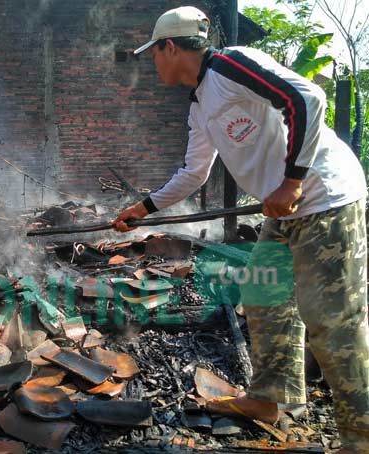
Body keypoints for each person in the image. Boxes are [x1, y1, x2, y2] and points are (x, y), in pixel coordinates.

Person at [114, 6, 369, 452]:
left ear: (170, 47)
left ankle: (361, 436)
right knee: (263, 296)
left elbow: (306, 99)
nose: (154, 63)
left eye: (155, 53)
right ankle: (274, 398)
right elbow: (194, 173)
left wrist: (291, 182)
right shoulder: (200, 104)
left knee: (333, 320)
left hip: (325, 198)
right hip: (284, 213)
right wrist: (143, 208)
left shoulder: (231, 64)